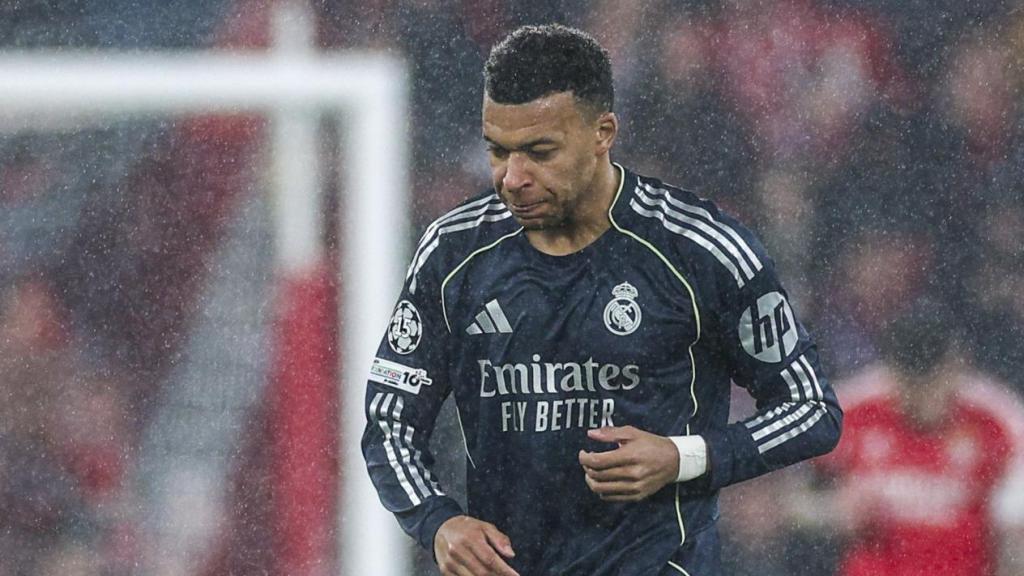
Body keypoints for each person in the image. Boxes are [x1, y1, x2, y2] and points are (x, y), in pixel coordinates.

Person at [361, 24, 842, 576]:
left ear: (602, 133)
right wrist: (438, 521)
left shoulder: (700, 250)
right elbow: (389, 421)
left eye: (540, 152)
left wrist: (683, 457)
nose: (512, 177)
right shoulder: (454, 252)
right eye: (498, 150)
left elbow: (811, 409)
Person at [809, 298, 1024, 576]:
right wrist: (831, 509)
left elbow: (1015, 534)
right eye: (907, 382)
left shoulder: (998, 421)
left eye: (929, 382)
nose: (918, 396)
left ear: (955, 368)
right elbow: (784, 501)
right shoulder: (849, 411)